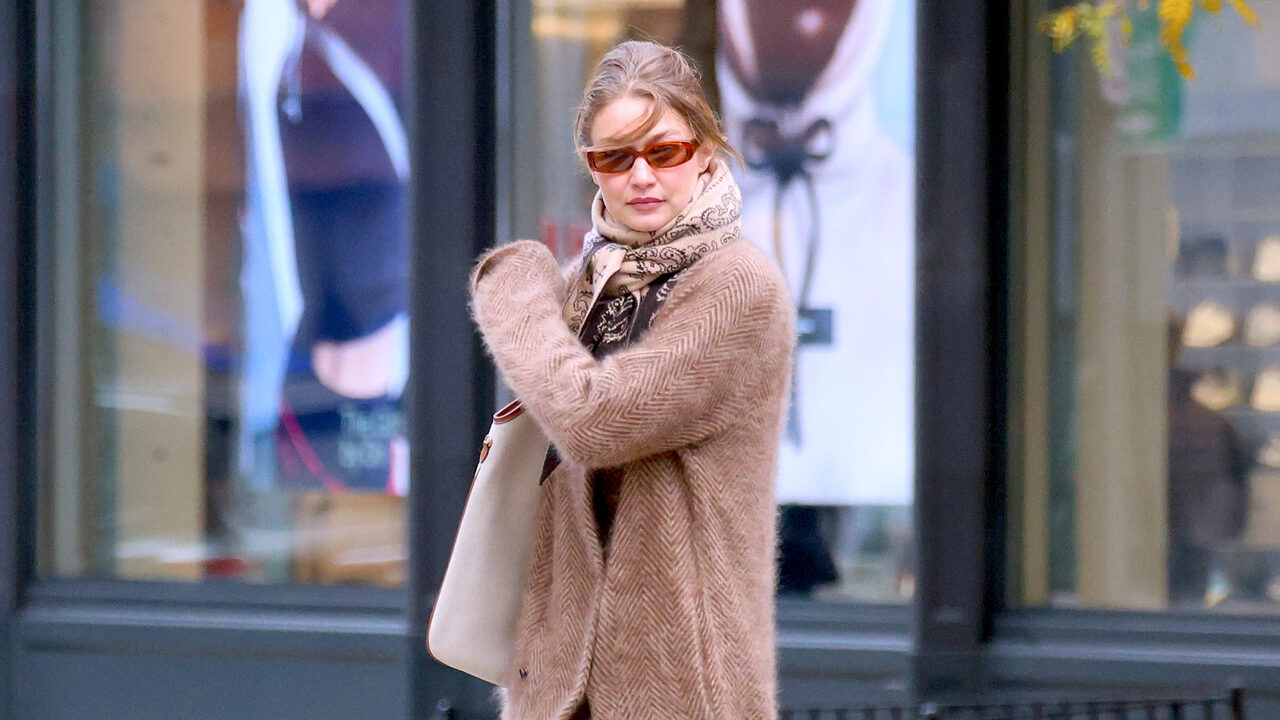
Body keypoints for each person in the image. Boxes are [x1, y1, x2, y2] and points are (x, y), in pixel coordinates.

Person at [468, 41, 795, 720]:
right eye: (615, 158)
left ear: (705, 150)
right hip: (561, 681)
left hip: (682, 685)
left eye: (664, 151)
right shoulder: (589, 284)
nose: (641, 175)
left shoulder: (739, 287)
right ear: (592, 166)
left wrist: (510, 283)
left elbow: (596, 422)